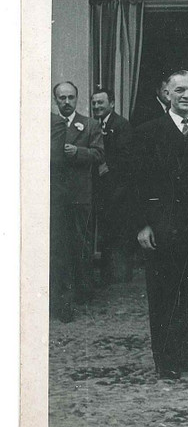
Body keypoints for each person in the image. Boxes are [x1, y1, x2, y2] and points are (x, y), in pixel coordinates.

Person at [130, 70, 188, 378]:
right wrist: (142, 225)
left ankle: (186, 356)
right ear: (167, 94)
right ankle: (166, 362)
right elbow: (136, 184)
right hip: (161, 227)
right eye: (179, 90)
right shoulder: (147, 132)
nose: (186, 96)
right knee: (163, 293)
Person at [50, 81, 105, 322]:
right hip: (57, 194)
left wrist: (78, 152)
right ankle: (63, 294)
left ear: (77, 98)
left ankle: (83, 290)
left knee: (81, 242)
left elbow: (99, 153)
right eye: (61, 98)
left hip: (80, 193)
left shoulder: (90, 124)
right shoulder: (50, 124)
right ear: (55, 100)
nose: (66, 102)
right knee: (59, 245)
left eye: (70, 97)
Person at [90, 86, 134, 285]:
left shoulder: (121, 125)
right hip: (101, 188)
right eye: (94, 103)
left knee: (119, 232)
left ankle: (120, 276)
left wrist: (107, 166)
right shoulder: (94, 125)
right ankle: (106, 276)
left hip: (118, 188)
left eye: (101, 102)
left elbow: (127, 158)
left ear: (112, 104)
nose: (97, 106)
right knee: (106, 231)